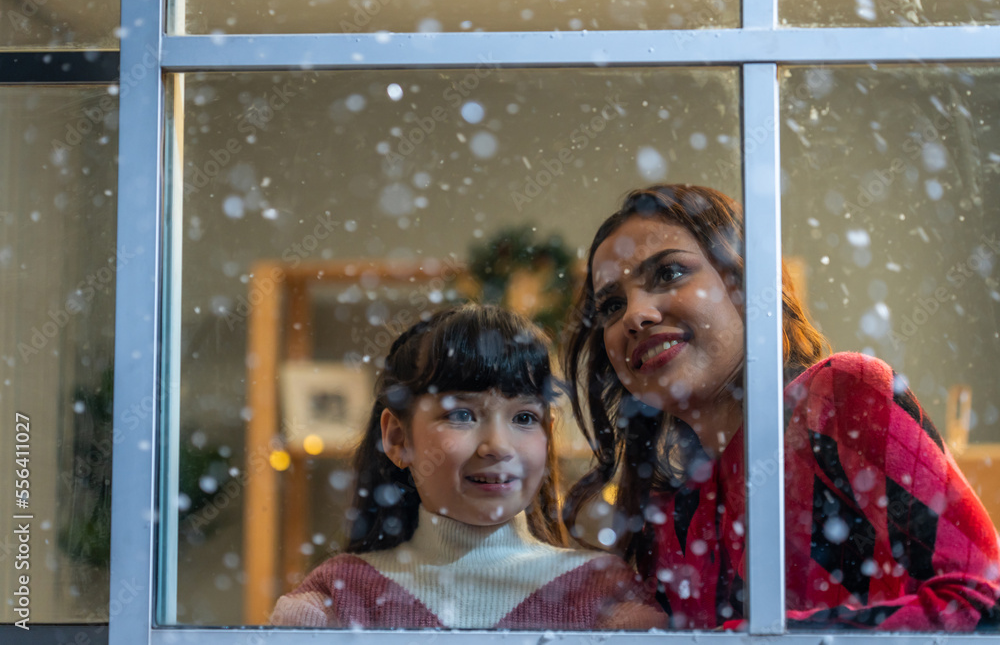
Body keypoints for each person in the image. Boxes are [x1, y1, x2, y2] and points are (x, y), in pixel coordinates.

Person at [561, 184, 1000, 630]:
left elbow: (983, 602)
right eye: (612, 305)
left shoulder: (842, 396)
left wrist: (739, 640)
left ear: (747, 283)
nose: (635, 314)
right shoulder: (672, 517)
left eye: (670, 273)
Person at [271, 304, 667, 630]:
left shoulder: (602, 596)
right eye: (461, 414)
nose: (497, 446)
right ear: (397, 439)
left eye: (525, 418)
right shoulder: (338, 598)